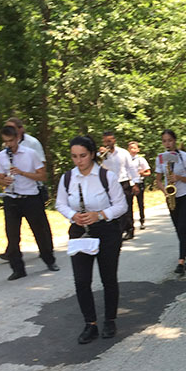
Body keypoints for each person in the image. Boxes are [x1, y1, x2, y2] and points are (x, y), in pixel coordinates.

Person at [55, 135, 127, 344]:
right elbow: (60, 204)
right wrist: (72, 215)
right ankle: (90, 324)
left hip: (106, 230)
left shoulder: (107, 176)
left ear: (93, 154)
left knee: (108, 278)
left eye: (83, 156)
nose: (79, 161)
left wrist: (100, 214)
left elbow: (121, 206)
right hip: (79, 231)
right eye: (74, 156)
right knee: (82, 280)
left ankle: (110, 320)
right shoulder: (67, 178)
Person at [0, 124, 59, 280]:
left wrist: (22, 173)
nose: (9, 145)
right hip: (11, 198)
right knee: (12, 235)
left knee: (40, 232)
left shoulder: (31, 154)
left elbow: (42, 176)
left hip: (30, 197)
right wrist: (5, 181)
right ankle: (18, 269)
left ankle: (49, 260)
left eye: (11, 141)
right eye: (5, 142)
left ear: (17, 138)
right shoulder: (1, 156)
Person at [155, 129, 186, 275]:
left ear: (175, 140)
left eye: (170, 140)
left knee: (181, 227)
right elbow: (158, 180)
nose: (167, 144)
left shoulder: (185, 157)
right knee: (178, 229)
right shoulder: (160, 158)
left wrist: (178, 178)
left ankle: (181, 261)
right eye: (164, 141)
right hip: (171, 196)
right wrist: (165, 191)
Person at [99, 130, 137, 240]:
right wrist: (100, 155)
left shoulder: (123, 153)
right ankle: (117, 230)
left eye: (109, 141)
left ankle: (129, 229)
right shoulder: (101, 155)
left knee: (126, 207)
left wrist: (134, 183)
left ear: (114, 141)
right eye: (105, 141)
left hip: (123, 182)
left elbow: (131, 168)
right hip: (109, 184)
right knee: (112, 207)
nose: (107, 143)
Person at [128, 141, 149, 229]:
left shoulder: (141, 160)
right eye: (131, 148)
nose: (133, 150)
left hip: (139, 183)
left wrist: (141, 173)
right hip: (129, 183)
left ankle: (142, 220)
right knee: (129, 205)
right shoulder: (126, 160)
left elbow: (148, 172)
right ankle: (130, 224)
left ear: (138, 149)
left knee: (140, 203)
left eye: (134, 148)